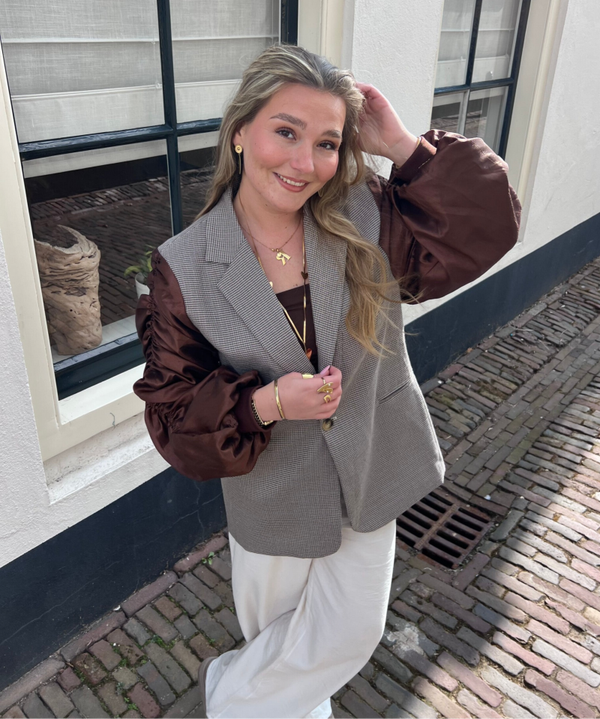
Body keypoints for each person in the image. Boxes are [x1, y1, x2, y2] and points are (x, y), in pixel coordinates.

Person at [133, 44, 521, 719]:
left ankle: (222, 699)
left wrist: (401, 146)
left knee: (349, 633)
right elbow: (174, 414)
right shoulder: (186, 266)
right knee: (284, 653)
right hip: (274, 495)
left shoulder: (367, 216)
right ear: (240, 132)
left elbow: (485, 225)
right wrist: (267, 403)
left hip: (374, 463)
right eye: (286, 131)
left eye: (327, 143)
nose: (303, 162)